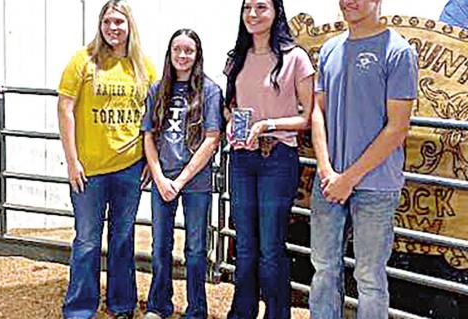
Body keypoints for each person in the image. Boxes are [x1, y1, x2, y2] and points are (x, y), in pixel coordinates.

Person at [309, 0, 418, 318]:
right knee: (323, 271)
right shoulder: (329, 50)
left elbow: (397, 128)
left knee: (369, 279)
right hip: (329, 182)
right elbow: (318, 111)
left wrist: (348, 178)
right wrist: (326, 169)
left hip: (376, 186)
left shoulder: (398, 52)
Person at [57, 1, 156, 318]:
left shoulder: (143, 66)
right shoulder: (83, 60)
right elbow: (65, 108)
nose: (113, 28)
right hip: (89, 169)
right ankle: (80, 308)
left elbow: (154, 116)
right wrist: (72, 161)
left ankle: (122, 304)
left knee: (123, 238)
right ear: (100, 25)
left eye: (119, 22)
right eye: (108, 22)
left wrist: (150, 163)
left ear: (130, 25)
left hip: (129, 166)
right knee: (86, 239)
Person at [223, 0, 314, 318]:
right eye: (247, 7)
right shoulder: (236, 58)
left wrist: (267, 125)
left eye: (261, 7)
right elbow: (230, 103)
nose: (253, 14)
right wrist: (232, 121)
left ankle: (277, 314)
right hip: (242, 159)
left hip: (277, 157)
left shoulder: (295, 58)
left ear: (276, 12)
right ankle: (242, 312)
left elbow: (307, 116)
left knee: (270, 248)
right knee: (245, 246)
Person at [141, 29, 223, 319]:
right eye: (178, 50)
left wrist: (181, 180)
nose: (183, 56)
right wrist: (160, 177)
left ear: (197, 54)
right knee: (160, 245)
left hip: (195, 182)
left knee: (196, 248)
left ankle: (196, 309)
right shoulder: (156, 89)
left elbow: (212, 138)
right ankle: (158, 304)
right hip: (163, 179)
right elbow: (148, 136)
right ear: (170, 53)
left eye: (189, 50)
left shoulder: (210, 91)